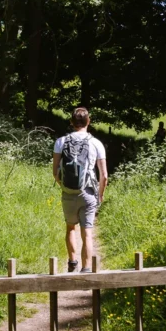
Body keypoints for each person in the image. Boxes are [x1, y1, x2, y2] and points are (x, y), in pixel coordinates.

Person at [53, 107, 108, 273]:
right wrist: (100, 194)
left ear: (71, 122)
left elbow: (55, 172)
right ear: (88, 122)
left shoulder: (60, 142)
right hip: (89, 193)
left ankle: (72, 262)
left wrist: (64, 186)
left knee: (70, 228)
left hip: (68, 193)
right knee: (87, 232)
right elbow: (104, 175)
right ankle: (85, 268)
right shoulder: (96, 143)